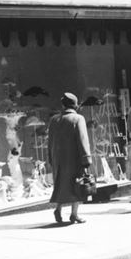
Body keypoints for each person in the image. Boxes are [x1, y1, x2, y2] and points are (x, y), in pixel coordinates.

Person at [47, 92, 92, 224]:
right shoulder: (78, 119)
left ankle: (58, 209)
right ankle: (74, 214)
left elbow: (50, 142)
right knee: (77, 185)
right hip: (74, 159)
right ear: (75, 106)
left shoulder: (54, 120)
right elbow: (83, 140)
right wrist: (86, 159)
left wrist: (50, 158)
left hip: (58, 159)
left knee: (61, 185)